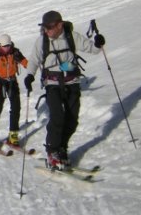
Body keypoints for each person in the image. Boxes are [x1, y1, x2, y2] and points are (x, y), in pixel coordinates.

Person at [24, 11, 105, 170]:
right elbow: (33, 60)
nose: (47, 30)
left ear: (60, 25)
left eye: (50, 27)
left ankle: (62, 148)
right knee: (57, 116)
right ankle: (52, 151)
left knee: (72, 119)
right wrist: (29, 76)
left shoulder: (71, 36)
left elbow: (92, 49)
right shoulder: (42, 41)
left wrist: (98, 43)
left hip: (72, 82)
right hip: (52, 84)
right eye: (45, 27)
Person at [0, 34, 28, 147]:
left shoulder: (15, 52)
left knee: (16, 108)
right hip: (0, 83)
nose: (7, 48)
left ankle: (13, 134)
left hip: (12, 82)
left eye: (8, 45)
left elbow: (25, 62)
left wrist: (32, 67)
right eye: (4, 46)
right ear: (0, 45)